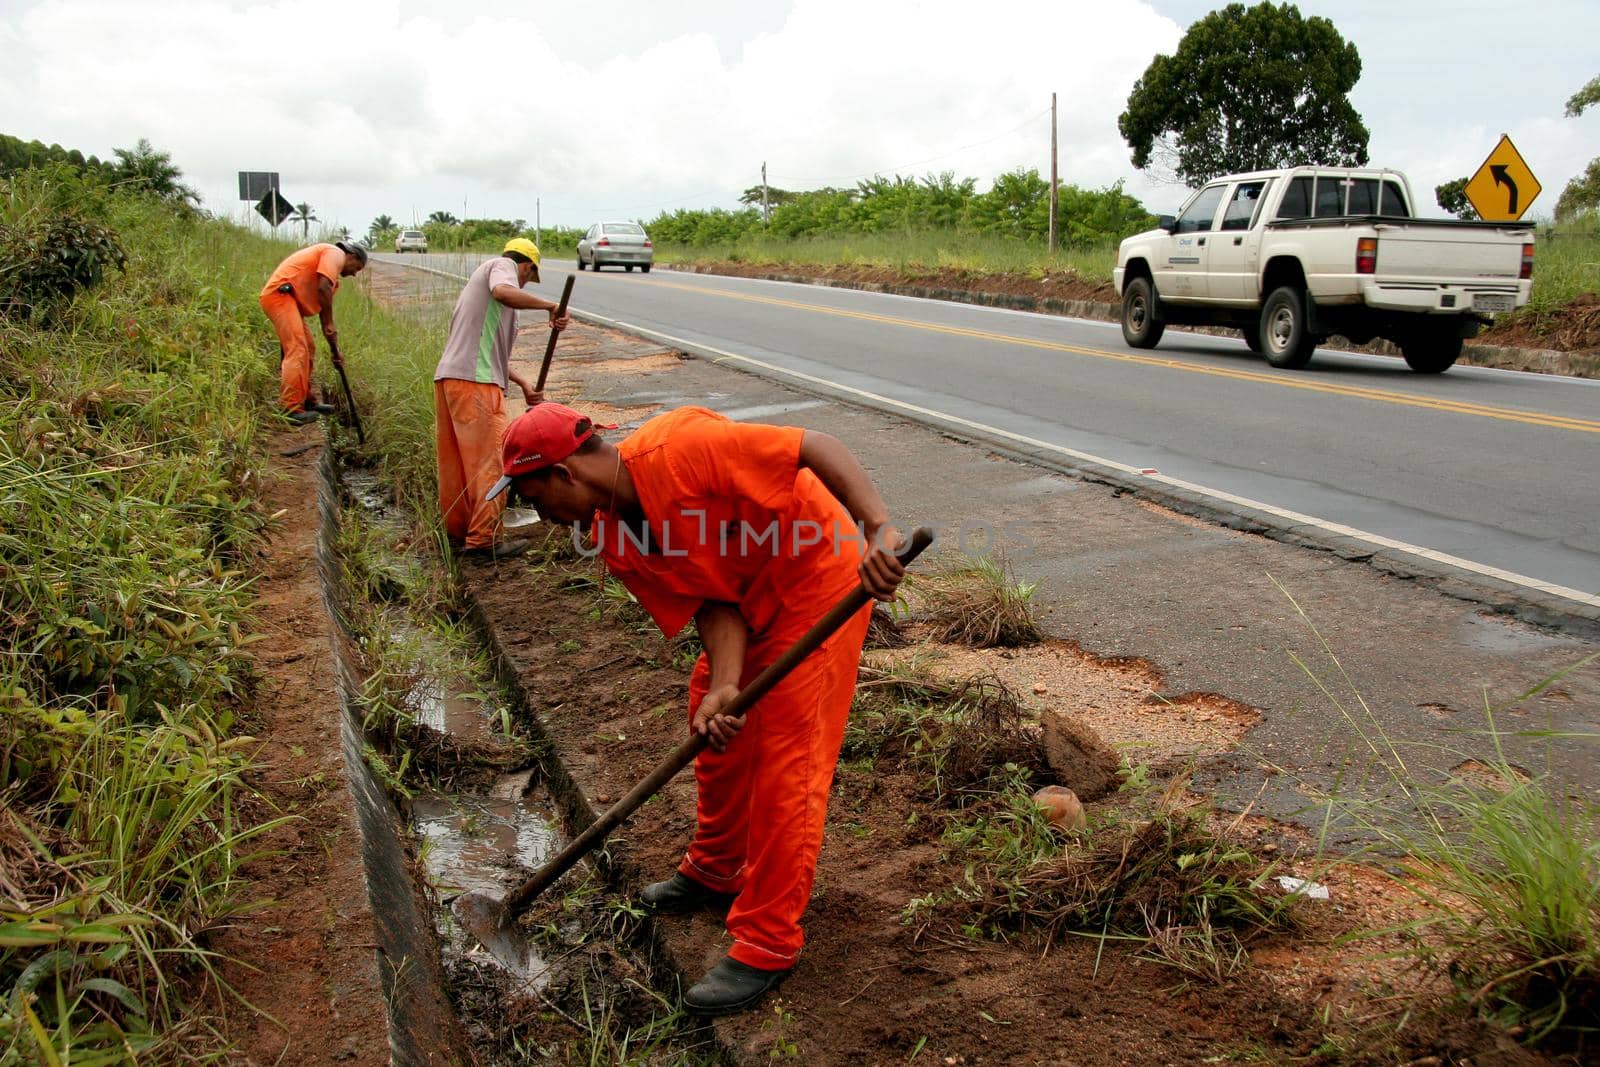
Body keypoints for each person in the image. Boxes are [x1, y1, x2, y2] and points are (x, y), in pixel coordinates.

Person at [485, 402, 909, 1015]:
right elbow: (713, 606)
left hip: (816, 579)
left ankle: (767, 942)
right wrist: (726, 685)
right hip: (748, 596)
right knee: (711, 718)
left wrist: (877, 529)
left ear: (564, 474)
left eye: (532, 497)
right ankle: (716, 869)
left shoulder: (682, 449)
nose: (541, 516)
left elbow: (814, 445)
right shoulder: (612, 533)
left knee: (789, 763)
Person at [434, 237, 570, 559]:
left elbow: (490, 354)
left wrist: (523, 384)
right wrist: (550, 306)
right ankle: (482, 540)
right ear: (526, 265)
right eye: (527, 277)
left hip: (452, 380)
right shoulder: (501, 268)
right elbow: (503, 291)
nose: (522, 283)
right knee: (493, 462)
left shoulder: (479, 294)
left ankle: (460, 531)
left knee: (459, 464)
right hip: (476, 385)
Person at [259, 239, 367, 423]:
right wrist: (329, 325)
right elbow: (323, 288)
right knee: (298, 349)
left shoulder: (330, 266)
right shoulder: (335, 253)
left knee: (308, 348)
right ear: (352, 256)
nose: (354, 274)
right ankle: (289, 408)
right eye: (357, 268)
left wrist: (334, 349)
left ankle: (306, 400)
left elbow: (322, 305)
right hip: (280, 296)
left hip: (288, 299)